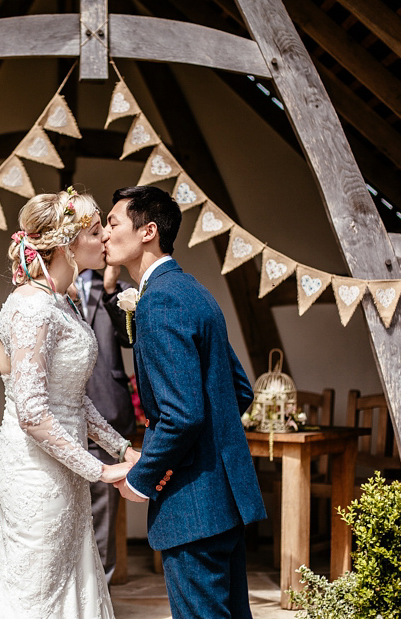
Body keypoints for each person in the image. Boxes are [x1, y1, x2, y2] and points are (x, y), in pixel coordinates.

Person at [103, 185, 267, 619]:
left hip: (193, 506)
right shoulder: (192, 291)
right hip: (223, 501)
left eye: (113, 222)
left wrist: (144, 477)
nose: (103, 234)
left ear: (148, 231)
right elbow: (239, 389)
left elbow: (181, 415)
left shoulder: (158, 302)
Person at [0, 188, 139, 619]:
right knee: (35, 593)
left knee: (74, 585)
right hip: (34, 472)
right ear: (68, 243)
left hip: (64, 467)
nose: (105, 237)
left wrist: (123, 449)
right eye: (95, 229)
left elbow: (74, 400)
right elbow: (31, 412)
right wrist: (100, 469)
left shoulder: (61, 303)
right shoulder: (32, 308)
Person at [73, 266, 136, 584]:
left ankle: (98, 593)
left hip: (107, 409)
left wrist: (111, 289)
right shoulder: (46, 286)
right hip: (60, 414)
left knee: (103, 516)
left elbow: (130, 338)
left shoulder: (118, 290)